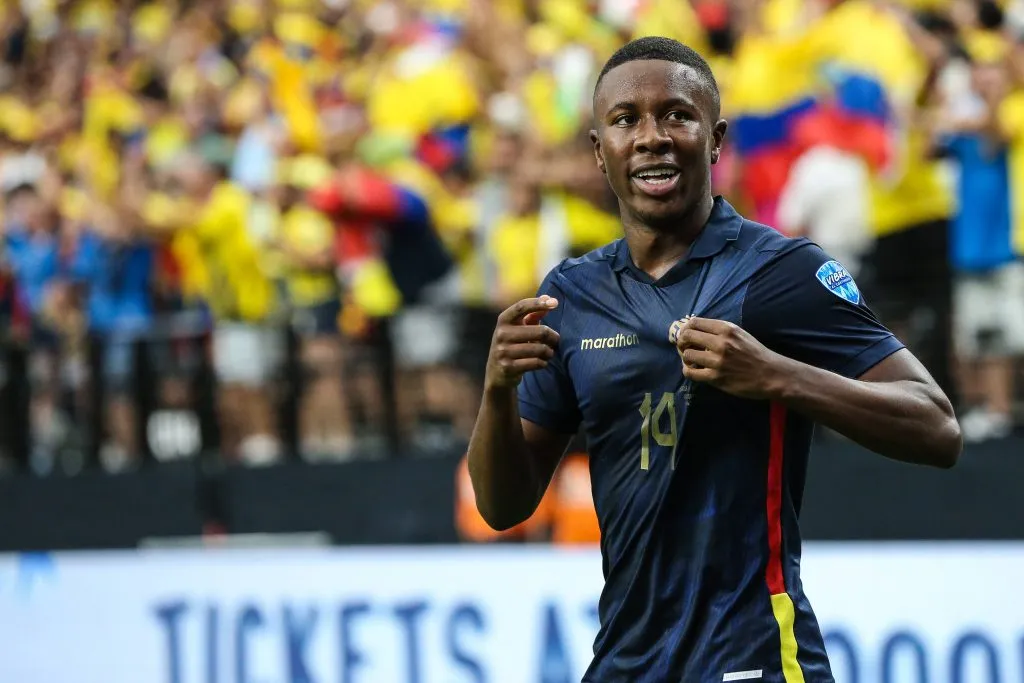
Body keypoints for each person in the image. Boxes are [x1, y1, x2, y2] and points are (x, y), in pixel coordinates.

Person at [466, 37, 962, 682]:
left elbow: (937, 426)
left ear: (716, 136)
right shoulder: (572, 295)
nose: (651, 136)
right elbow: (502, 508)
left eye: (677, 114)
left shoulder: (784, 272)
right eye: (625, 120)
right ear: (598, 150)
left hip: (753, 655)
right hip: (626, 663)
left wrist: (776, 376)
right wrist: (498, 391)